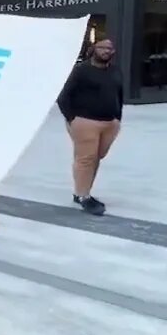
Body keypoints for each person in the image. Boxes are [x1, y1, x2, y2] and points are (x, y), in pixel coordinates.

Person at [56, 37, 123, 216]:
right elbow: (63, 96)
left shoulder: (115, 71)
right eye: (102, 48)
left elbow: (119, 94)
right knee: (86, 158)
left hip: (109, 123)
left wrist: (118, 118)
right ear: (94, 49)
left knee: (96, 157)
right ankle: (83, 196)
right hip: (85, 121)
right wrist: (72, 119)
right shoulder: (80, 71)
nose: (106, 51)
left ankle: (82, 191)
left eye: (110, 48)